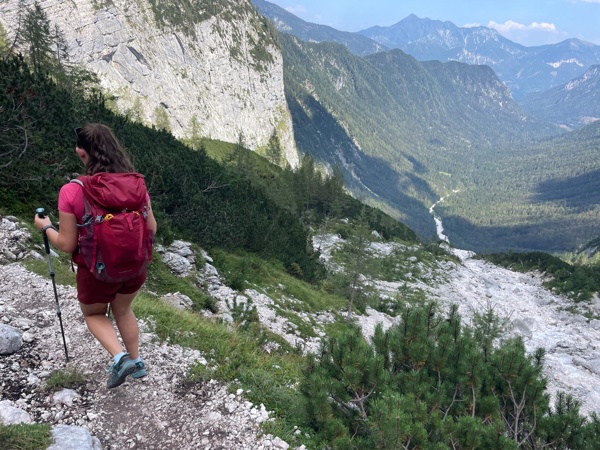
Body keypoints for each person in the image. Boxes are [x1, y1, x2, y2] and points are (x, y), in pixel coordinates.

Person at [34, 123, 157, 389]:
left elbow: (67, 244)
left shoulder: (73, 191)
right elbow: (152, 228)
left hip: (97, 270)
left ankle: (119, 358)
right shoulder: (136, 185)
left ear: (81, 152)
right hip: (135, 266)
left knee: (94, 315)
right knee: (123, 308)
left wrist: (45, 228)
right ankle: (137, 364)